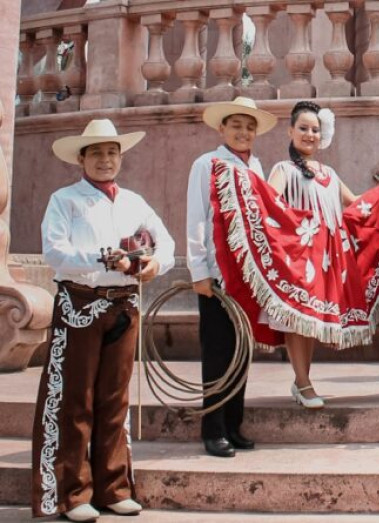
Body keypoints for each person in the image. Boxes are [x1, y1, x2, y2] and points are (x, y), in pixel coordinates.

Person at [32, 119, 175, 521]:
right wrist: (106, 257)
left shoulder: (134, 202)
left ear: (120, 158)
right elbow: (55, 254)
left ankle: (113, 487)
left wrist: (153, 264)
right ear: (82, 158)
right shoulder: (64, 200)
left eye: (112, 152)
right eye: (96, 152)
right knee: (76, 399)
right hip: (80, 304)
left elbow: (166, 243)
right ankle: (73, 493)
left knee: (115, 399)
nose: (105, 159)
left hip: (124, 305)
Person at [262, 101, 379, 408]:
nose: (309, 135)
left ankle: (302, 381)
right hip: (299, 255)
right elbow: (269, 205)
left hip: (326, 259)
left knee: (312, 321)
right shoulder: (284, 170)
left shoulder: (328, 172)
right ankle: (303, 383)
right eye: (303, 128)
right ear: (290, 131)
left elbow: (356, 206)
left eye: (315, 130)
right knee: (297, 320)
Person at [186, 96, 277, 458]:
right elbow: (196, 217)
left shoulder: (257, 166)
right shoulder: (206, 164)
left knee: (242, 351)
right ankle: (213, 428)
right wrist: (199, 270)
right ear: (222, 128)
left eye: (249, 126)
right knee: (218, 351)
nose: (243, 132)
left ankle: (234, 425)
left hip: (249, 277)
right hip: (217, 275)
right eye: (236, 125)